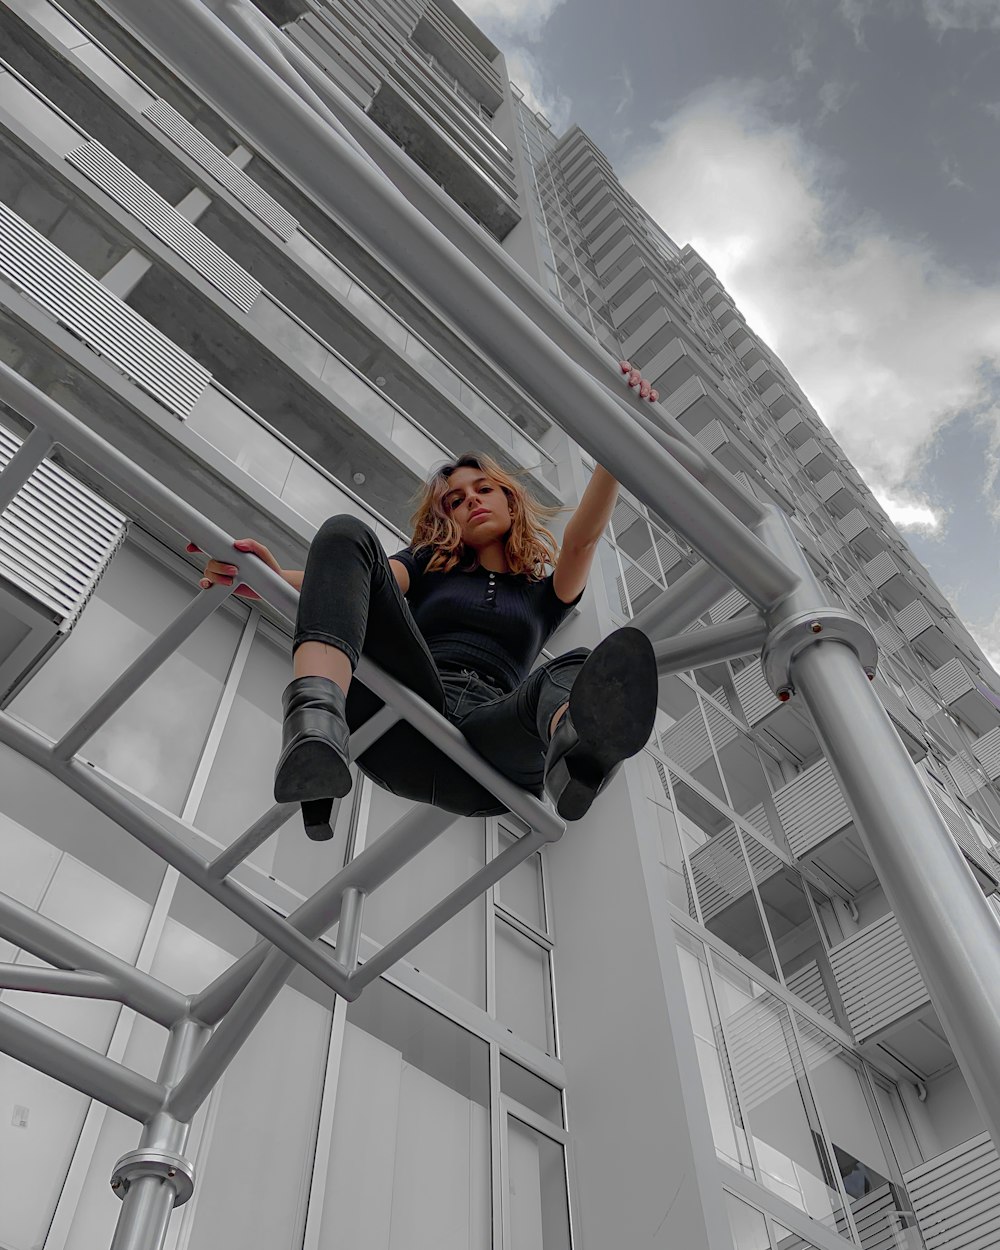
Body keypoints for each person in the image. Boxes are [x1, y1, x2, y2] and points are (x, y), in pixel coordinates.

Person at [195, 451, 657, 839]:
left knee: (575, 666)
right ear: (448, 517)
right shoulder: (427, 566)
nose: (471, 500)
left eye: (483, 489)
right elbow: (350, 581)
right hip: (405, 710)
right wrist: (264, 579)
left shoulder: (542, 596)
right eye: (457, 500)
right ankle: (314, 727)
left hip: (490, 744)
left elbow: (581, 541)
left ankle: (577, 758)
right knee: (345, 532)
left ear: (511, 504)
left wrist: (615, 449)